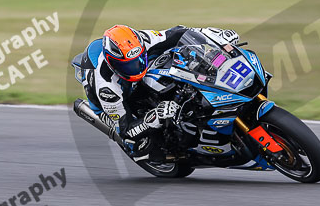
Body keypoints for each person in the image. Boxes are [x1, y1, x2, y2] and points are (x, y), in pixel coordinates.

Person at [83, 25, 239, 161]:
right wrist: (155, 116)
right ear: (112, 63)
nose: (135, 67)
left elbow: (180, 32)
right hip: (114, 103)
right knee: (140, 146)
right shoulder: (107, 88)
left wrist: (216, 36)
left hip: (140, 71)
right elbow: (126, 130)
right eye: (128, 65)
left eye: (138, 60)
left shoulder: (144, 39)